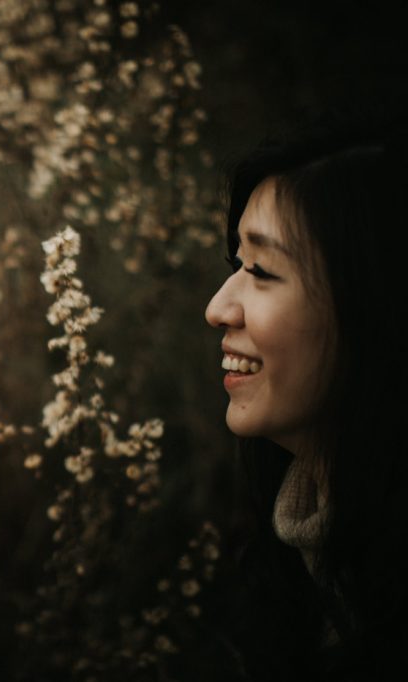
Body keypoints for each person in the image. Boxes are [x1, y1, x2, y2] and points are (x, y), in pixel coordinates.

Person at [205, 116, 408, 680]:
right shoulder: (280, 565)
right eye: (236, 265)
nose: (218, 308)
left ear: (378, 307)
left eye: (262, 270)